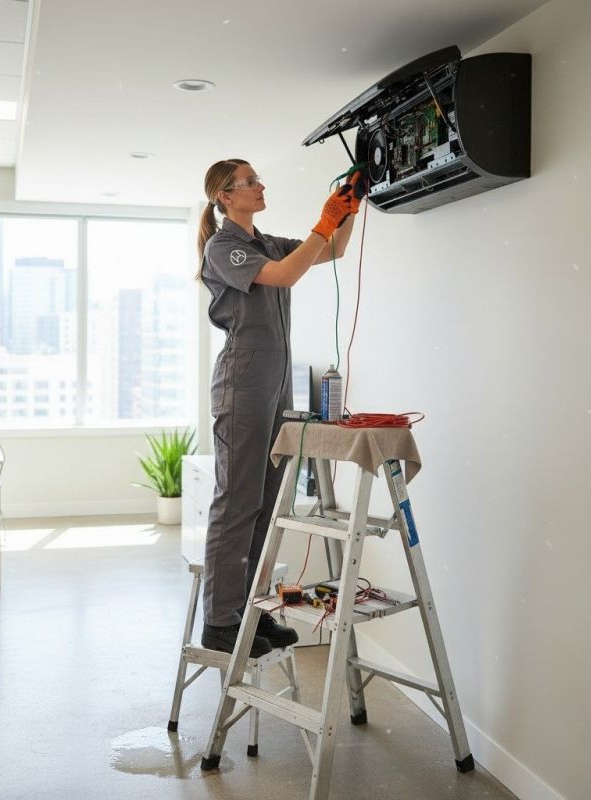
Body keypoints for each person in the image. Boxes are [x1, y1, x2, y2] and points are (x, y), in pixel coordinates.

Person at [197, 158, 362, 657]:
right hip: (243, 383)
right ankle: (219, 623)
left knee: (266, 506)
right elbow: (289, 275)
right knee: (237, 505)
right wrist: (324, 219)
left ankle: (251, 612)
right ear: (226, 196)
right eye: (250, 182)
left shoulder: (265, 243)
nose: (260, 186)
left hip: (275, 387)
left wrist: (350, 203)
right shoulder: (223, 247)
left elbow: (329, 250)